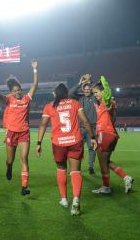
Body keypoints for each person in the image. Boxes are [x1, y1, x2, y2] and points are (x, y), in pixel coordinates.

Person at [36, 83, 97, 216]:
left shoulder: (49, 106)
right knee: (75, 171)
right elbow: (86, 121)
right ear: (66, 93)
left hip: (59, 144)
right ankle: (76, 198)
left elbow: (43, 125)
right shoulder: (75, 103)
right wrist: (92, 136)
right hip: (75, 141)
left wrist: (39, 142)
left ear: (56, 94)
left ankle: (64, 199)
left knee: (61, 169)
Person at [0, 60, 38, 195]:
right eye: (15, 91)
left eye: (19, 90)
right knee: (10, 160)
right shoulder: (9, 99)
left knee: (24, 158)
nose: (17, 93)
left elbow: (35, 84)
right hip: (11, 133)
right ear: (11, 92)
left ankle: (24, 187)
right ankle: (9, 167)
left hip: (24, 132)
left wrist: (35, 69)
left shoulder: (27, 99)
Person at [91, 76, 134, 194]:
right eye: (94, 93)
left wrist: (108, 98)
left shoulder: (107, 102)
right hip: (107, 134)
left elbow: (109, 105)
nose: (95, 95)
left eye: (96, 92)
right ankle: (126, 178)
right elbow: (112, 117)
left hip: (106, 135)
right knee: (106, 161)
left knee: (102, 163)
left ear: (103, 92)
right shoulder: (100, 104)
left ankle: (106, 187)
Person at [69, 74, 98, 175]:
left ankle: (91, 167)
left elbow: (98, 89)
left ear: (91, 90)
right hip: (80, 128)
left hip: (93, 128)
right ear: (82, 90)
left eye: (88, 89)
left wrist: (90, 82)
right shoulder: (79, 98)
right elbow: (70, 93)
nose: (87, 90)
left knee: (92, 148)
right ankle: (77, 168)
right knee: (78, 149)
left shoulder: (94, 97)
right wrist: (80, 83)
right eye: (85, 89)